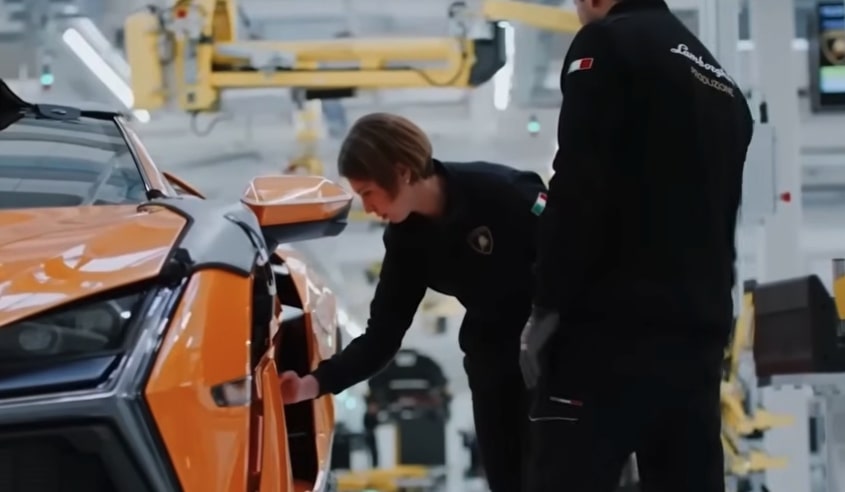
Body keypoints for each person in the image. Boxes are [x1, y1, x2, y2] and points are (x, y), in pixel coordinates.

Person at [518, 0, 754, 491]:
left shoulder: (607, 43)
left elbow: (579, 186)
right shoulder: (725, 86)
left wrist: (546, 306)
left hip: (605, 336)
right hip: (697, 344)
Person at [279, 112, 548, 492]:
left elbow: (579, 262)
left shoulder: (504, 192)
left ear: (402, 172)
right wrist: (312, 384)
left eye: (368, 192)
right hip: (492, 365)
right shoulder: (407, 242)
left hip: (555, 355)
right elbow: (382, 337)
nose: (367, 207)